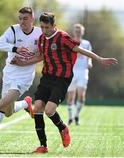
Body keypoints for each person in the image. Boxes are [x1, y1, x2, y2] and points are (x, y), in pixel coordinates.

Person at [12, 12, 117, 153]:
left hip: (62, 79)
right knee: (37, 108)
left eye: (47, 27)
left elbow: (80, 50)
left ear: (54, 26)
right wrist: (22, 63)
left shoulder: (62, 37)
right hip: (47, 78)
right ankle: (43, 146)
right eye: (42, 27)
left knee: (49, 110)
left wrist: (99, 59)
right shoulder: (42, 38)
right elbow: (40, 56)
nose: (44, 30)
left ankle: (63, 128)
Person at [0, 7, 42, 150]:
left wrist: (24, 62)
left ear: (32, 19)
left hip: (24, 77)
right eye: (20, 18)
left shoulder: (39, 33)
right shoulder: (13, 30)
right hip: (9, 73)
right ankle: (26, 103)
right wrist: (15, 48)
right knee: (8, 112)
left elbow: (42, 55)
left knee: (1, 106)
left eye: (25, 18)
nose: (22, 21)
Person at [67, 24, 92, 125]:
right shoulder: (70, 41)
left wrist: (90, 62)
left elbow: (89, 55)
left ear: (82, 32)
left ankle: (76, 115)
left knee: (81, 96)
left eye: (80, 30)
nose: (78, 32)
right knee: (71, 96)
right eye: (76, 30)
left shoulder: (86, 43)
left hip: (83, 71)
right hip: (72, 71)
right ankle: (70, 118)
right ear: (74, 31)